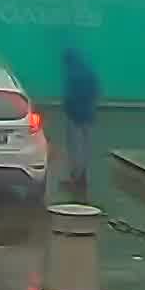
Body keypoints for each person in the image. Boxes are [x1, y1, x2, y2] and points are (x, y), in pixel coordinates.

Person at [57, 45, 101, 201]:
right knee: (86, 146)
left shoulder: (72, 74)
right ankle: (83, 176)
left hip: (74, 115)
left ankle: (76, 177)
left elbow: (69, 96)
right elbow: (96, 91)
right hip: (88, 114)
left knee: (75, 147)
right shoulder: (89, 71)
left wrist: (68, 108)